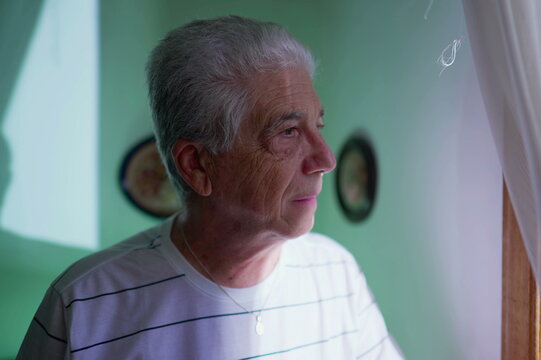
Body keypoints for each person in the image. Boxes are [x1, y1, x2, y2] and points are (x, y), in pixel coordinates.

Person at [17, 16, 403, 359]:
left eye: (317, 126)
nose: (326, 159)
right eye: (287, 132)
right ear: (198, 165)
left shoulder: (337, 273)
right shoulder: (84, 304)